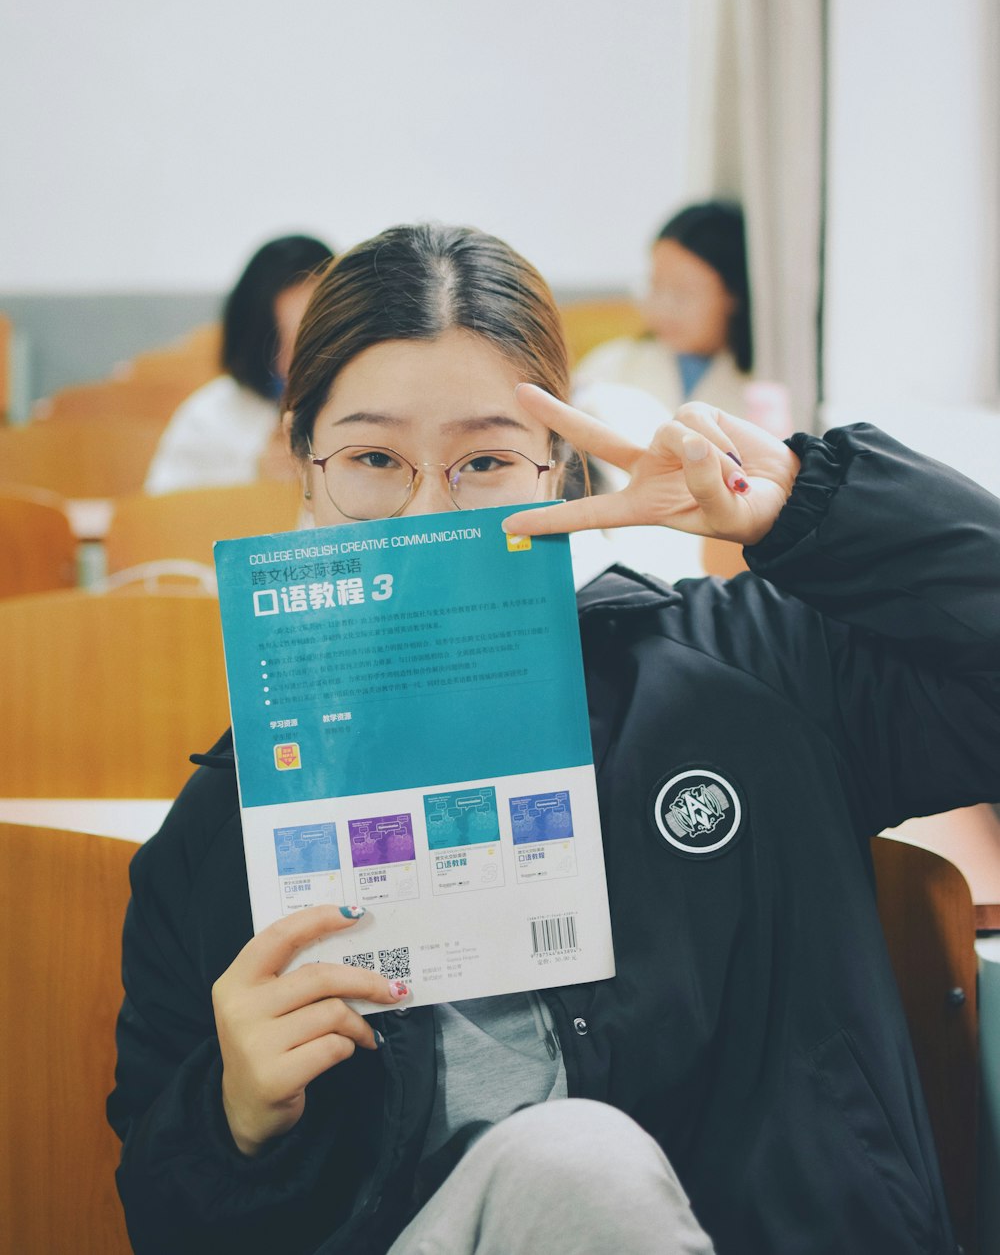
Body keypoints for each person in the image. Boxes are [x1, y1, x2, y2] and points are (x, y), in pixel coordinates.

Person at [109, 222, 1000, 1255]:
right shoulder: (222, 835)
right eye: (371, 459)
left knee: (581, 1165)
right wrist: (236, 1124)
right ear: (302, 467)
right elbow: (166, 1214)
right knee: (572, 1164)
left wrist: (805, 507)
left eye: (484, 459)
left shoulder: (748, 680)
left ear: (557, 470)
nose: (424, 514)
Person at [144, 233, 335, 494]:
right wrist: (254, 479)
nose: (292, 365)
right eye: (277, 343)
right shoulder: (207, 417)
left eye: (311, 339)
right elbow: (164, 519)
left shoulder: (364, 410)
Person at [574, 199, 752, 417]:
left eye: (683, 293)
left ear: (732, 295)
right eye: (656, 287)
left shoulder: (760, 383)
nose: (663, 309)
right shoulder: (611, 364)